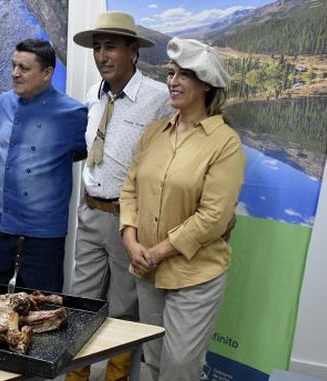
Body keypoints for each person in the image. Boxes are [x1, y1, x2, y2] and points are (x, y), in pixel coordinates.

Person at [119, 37, 245, 381]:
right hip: (146, 268)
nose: (172, 82)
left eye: (183, 75)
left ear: (205, 84)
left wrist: (157, 251)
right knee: (155, 362)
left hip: (194, 275)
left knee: (180, 369)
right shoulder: (154, 133)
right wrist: (131, 241)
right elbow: (130, 190)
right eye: (170, 73)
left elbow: (214, 217)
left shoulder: (225, 143)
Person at [66, 11, 174, 381]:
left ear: (133, 51)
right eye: (97, 48)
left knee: (125, 308)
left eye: (110, 47)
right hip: (91, 211)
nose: (101, 56)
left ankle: (116, 377)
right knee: (80, 302)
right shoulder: (93, 97)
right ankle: (76, 375)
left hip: (129, 221)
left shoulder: (159, 100)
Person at [0, 39, 87, 293]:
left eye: (24, 68)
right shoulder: (5, 102)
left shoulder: (73, 113)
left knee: (42, 308)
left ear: (48, 73)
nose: (15, 73)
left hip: (43, 234)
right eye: (14, 65)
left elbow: (80, 153)